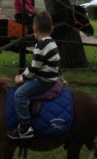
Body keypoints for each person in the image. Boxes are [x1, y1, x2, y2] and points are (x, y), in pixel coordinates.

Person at [8, 10, 60, 139]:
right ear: (52, 30)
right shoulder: (51, 42)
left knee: (20, 95)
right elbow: (36, 66)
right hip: (51, 77)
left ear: (34, 29)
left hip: (43, 80)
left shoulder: (41, 45)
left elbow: (33, 68)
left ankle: (25, 127)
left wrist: (21, 78)